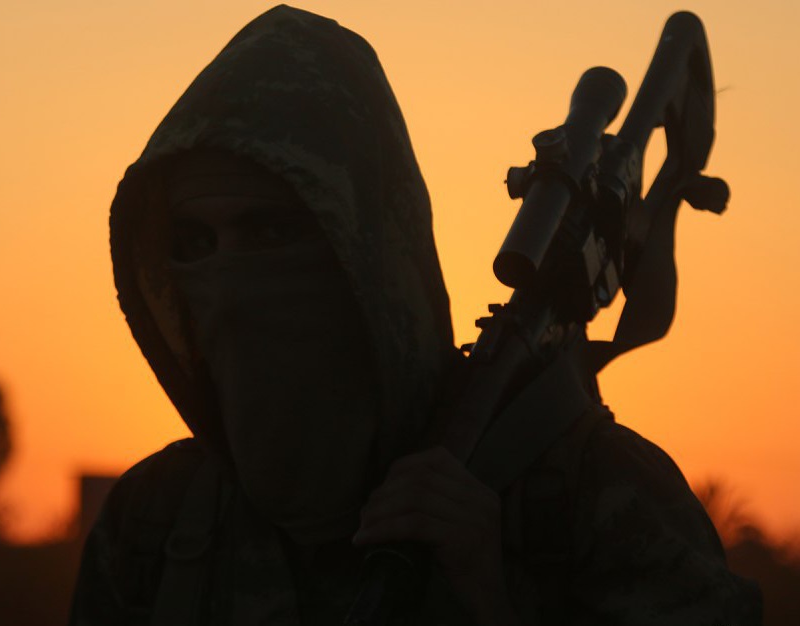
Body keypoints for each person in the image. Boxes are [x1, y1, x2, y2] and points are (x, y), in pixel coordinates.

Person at [70, 5, 761, 625]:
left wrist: (488, 599)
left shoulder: (591, 497)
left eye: (273, 231)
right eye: (194, 243)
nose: (229, 277)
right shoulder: (155, 521)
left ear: (365, 249)